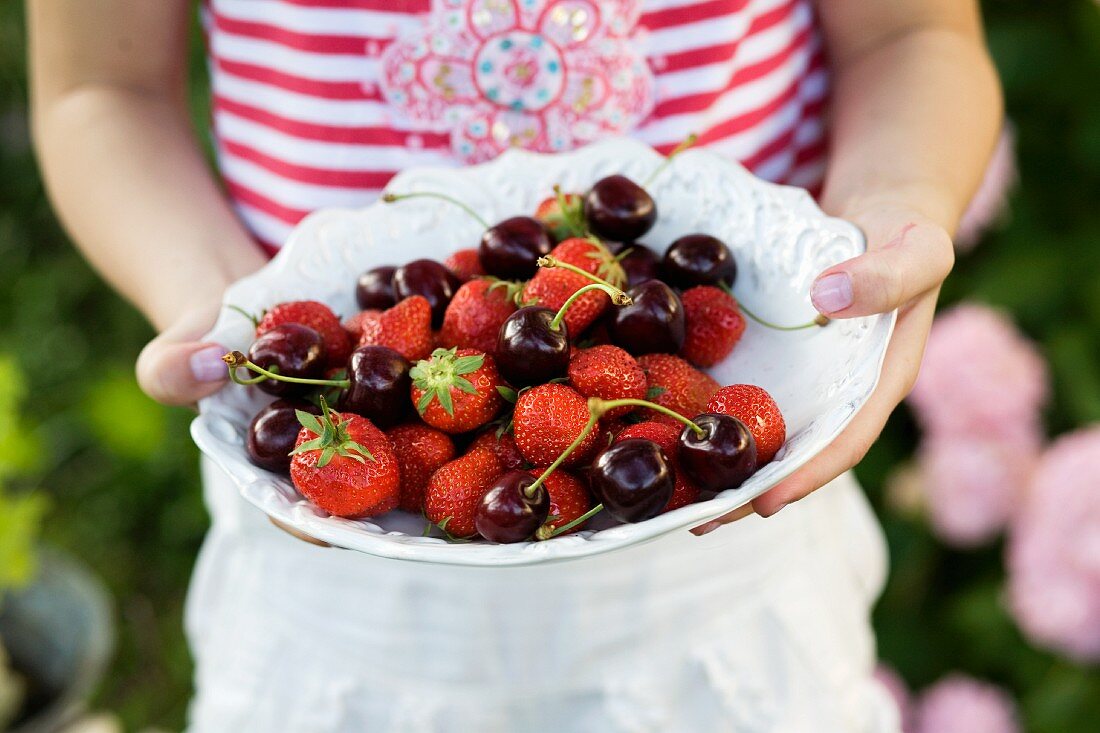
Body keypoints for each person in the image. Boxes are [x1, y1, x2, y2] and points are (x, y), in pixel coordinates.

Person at [27, 1, 1002, 730]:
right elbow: (99, 89)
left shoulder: (671, 382)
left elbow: (907, 36)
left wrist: (886, 214)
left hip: (737, 517)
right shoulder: (386, 410)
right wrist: (225, 307)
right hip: (329, 576)